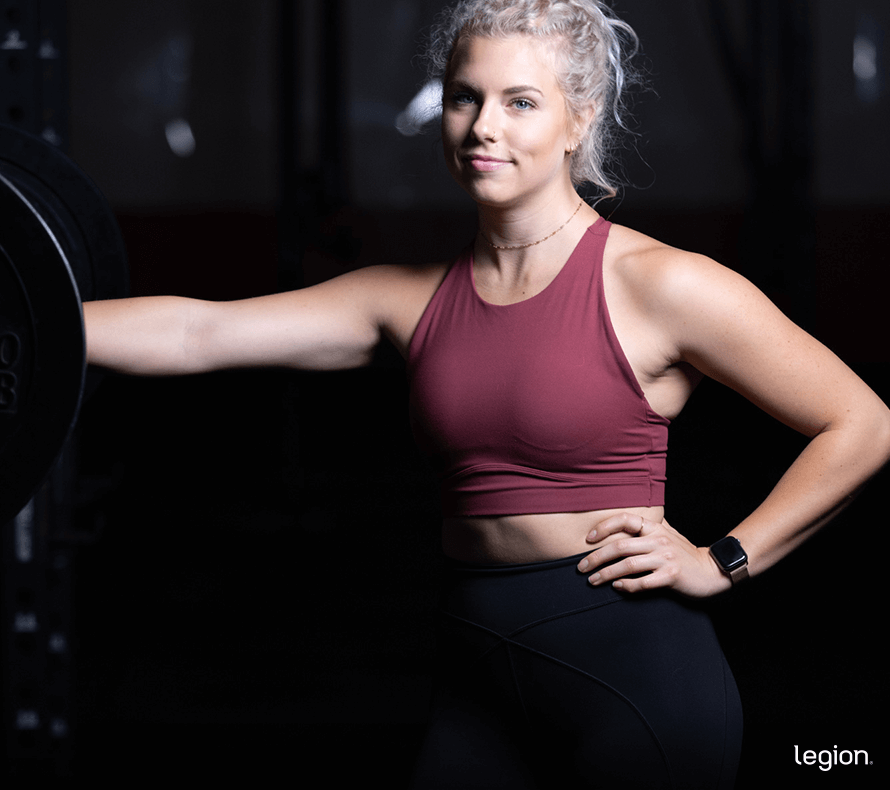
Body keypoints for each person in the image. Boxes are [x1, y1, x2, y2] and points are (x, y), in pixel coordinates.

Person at [83, 0, 890, 787]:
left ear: (579, 120)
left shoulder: (660, 284)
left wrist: (724, 561)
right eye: (464, 97)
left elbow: (862, 422)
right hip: (476, 680)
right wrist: (36, 315)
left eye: (521, 102)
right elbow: (197, 333)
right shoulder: (405, 297)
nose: (483, 127)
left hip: (636, 685)